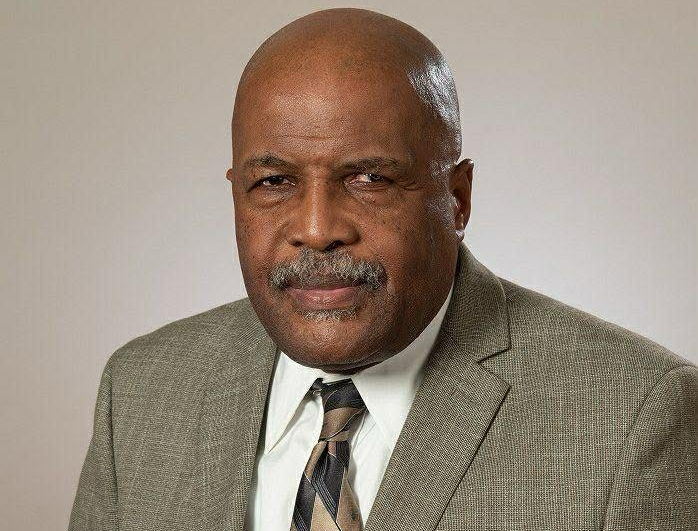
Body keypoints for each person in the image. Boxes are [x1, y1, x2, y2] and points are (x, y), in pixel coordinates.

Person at [68, 8, 697, 531]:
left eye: (369, 178)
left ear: (457, 198)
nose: (318, 229)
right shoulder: (143, 392)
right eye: (274, 182)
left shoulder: (636, 418)